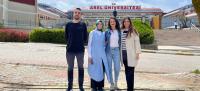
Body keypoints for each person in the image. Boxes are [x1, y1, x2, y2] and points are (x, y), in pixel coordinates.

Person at [65, 8, 88, 91]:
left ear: (80, 14)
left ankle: (81, 86)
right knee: (70, 68)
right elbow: (66, 37)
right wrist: (70, 44)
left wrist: (81, 44)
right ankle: (70, 86)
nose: (77, 14)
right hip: (70, 50)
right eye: (75, 12)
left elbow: (85, 37)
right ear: (73, 14)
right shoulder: (68, 24)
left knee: (81, 68)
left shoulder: (83, 24)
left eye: (78, 13)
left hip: (80, 51)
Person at [88, 20, 111, 91]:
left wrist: (105, 44)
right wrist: (89, 56)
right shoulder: (92, 32)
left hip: (101, 55)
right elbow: (89, 45)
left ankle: (100, 87)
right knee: (93, 70)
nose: (100, 25)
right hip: (94, 55)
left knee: (101, 70)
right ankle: (94, 87)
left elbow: (103, 45)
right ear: (96, 25)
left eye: (101, 24)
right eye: (99, 24)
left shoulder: (103, 34)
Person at [121, 17, 141, 91]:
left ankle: (130, 88)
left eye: (128, 21)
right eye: (125, 21)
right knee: (126, 71)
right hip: (123, 54)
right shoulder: (121, 31)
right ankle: (128, 87)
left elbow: (137, 42)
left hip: (131, 54)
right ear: (123, 23)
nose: (126, 23)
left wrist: (138, 53)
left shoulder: (133, 31)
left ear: (130, 22)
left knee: (131, 72)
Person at [105, 17, 121, 90]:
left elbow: (121, 41)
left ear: (116, 22)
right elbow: (104, 41)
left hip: (117, 50)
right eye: (111, 21)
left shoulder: (119, 31)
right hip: (108, 51)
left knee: (117, 68)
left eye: (113, 21)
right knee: (109, 68)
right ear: (109, 23)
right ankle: (111, 84)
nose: (112, 22)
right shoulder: (107, 31)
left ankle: (116, 83)